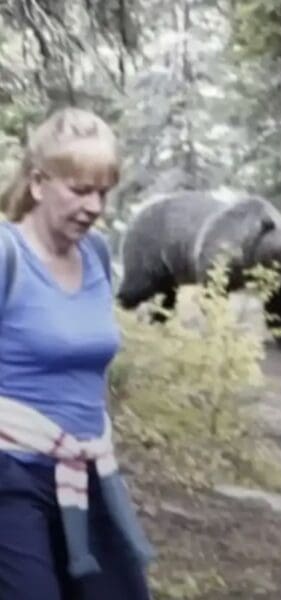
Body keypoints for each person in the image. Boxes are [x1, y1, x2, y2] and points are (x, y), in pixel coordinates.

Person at [0, 107, 154, 599]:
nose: (94, 206)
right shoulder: (8, 256)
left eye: (103, 192)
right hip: (11, 474)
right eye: (80, 190)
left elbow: (90, 363)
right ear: (40, 183)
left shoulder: (97, 255)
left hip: (86, 470)